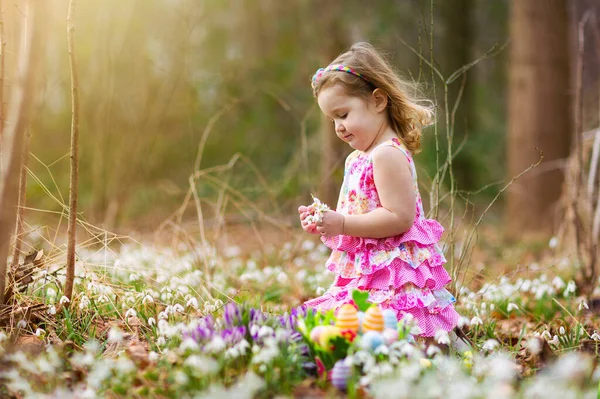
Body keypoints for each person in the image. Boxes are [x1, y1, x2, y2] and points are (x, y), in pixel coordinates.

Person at [298, 42, 460, 338]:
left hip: (394, 274)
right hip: (367, 269)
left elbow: (400, 218)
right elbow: (352, 213)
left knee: (392, 333)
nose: (338, 127)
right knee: (350, 330)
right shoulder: (356, 158)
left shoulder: (386, 154)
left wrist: (343, 224)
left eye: (343, 114)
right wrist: (326, 220)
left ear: (378, 101)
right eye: (332, 119)